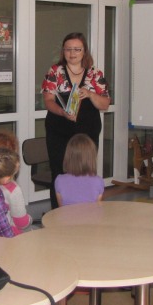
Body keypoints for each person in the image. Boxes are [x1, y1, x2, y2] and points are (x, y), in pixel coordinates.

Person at [41, 32, 110, 209]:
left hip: (87, 132)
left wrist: (90, 94)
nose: (72, 53)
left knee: (87, 173)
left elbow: (105, 104)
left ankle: (86, 214)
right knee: (59, 173)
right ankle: (57, 216)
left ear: (84, 51)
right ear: (63, 51)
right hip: (59, 130)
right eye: (68, 49)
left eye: (77, 49)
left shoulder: (95, 74)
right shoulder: (55, 72)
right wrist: (62, 112)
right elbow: (48, 101)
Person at [54, 133, 104, 206]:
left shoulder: (59, 180)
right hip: (90, 214)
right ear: (92, 158)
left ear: (68, 156)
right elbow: (96, 207)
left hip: (68, 214)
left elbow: (61, 208)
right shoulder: (98, 181)